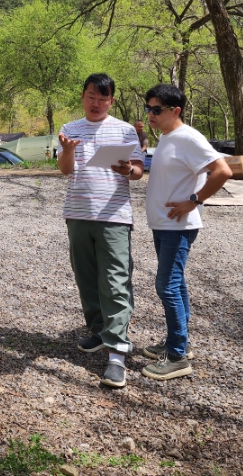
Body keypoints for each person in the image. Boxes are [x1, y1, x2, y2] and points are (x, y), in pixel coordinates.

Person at [57, 73, 145, 389]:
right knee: (86, 277)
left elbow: (137, 170)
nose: (96, 103)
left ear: (112, 100)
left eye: (103, 98)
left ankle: (117, 354)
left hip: (114, 217)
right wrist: (67, 149)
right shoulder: (69, 129)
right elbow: (66, 169)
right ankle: (98, 330)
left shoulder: (123, 130)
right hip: (78, 214)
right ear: (82, 96)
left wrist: (128, 169)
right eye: (91, 96)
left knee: (115, 281)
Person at [141, 84, 231, 381]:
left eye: (157, 109)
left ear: (175, 111)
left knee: (166, 286)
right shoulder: (168, 137)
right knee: (175, 285)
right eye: (149, 108)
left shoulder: (189, 137)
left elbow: (223, 171)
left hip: (178, 228)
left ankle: (177, 357)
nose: (151, 114)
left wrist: (193, 201)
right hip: (163, 224)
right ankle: (178, 343)